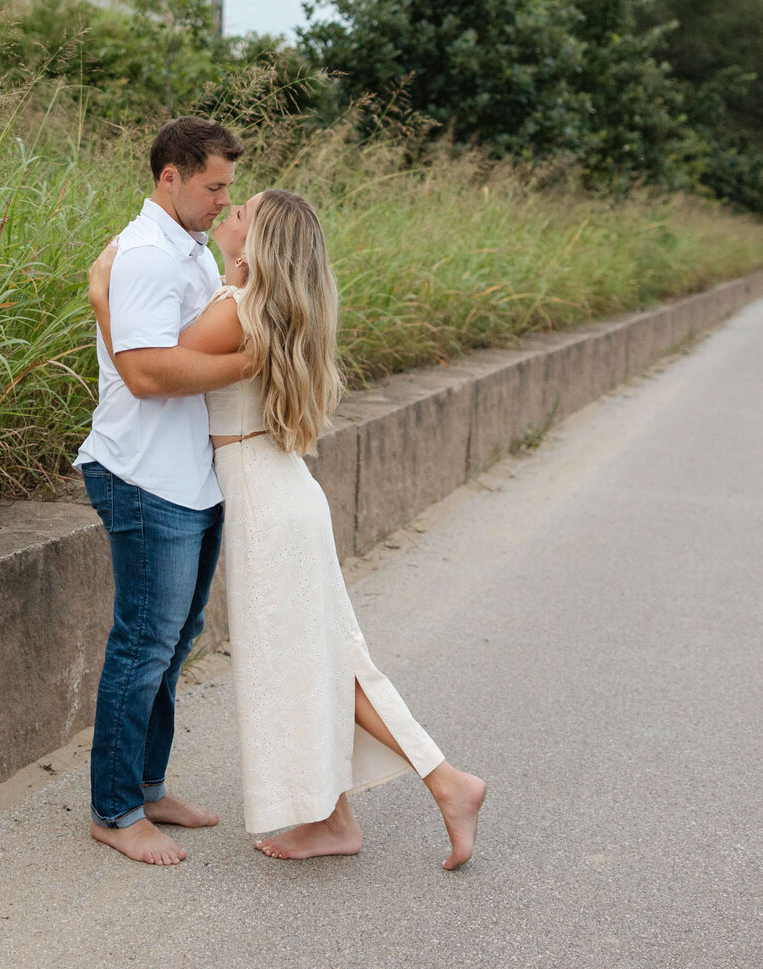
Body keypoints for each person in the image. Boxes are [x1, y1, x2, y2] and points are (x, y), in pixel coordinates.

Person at [88, 187, 486, 865]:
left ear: (258, 241)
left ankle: (445, 780)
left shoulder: (234, 312)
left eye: (239, 213)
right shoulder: (263, 305)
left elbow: (149, 370)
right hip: (278, 491)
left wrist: (102, 298)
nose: (226, 214)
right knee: (321, 660)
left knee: (315, 662)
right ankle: (337, 819)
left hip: (265, 503)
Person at [74, 115, 251, 867]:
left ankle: (147, 786)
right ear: (170, 177)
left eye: (227, 188)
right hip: (145, 476)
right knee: (143, 645)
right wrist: (256, 364)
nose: (221, 201)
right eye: (213, 187)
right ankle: (114, 812)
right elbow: (147, 376)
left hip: (189, 477)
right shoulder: (147, 254)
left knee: (175, 643)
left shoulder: (194, 248)